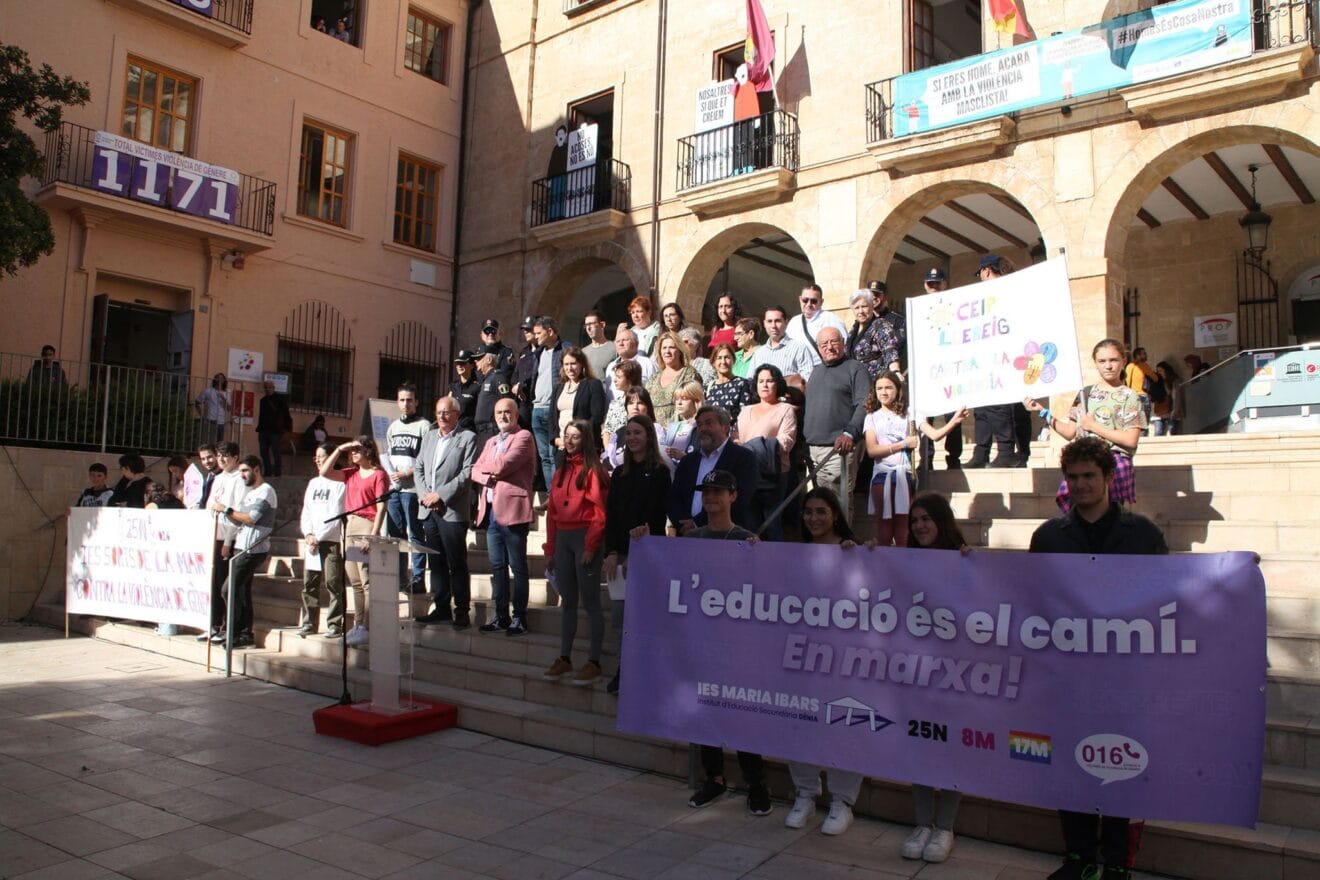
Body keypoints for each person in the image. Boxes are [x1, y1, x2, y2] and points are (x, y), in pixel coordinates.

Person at [1031, 437, 1167, 880]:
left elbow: (1169, 596)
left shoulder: (1143, 535)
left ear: (1109, 477)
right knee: (1070, 764)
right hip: (1066, 676)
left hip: (1126, 676)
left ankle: (1118, 861)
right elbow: (1030, 600)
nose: (1081, 484)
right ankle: (1080, 856)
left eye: (1089, 475)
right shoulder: (1048, 537)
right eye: (1073, 477)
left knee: (1124, 764)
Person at [680, 469, 771, 816]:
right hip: (701, 642)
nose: (711, 497)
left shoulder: (747, 540)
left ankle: (756, 783)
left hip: (737, 646)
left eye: (719, 491)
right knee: (706, 712)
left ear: (733, 496)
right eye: (707, 492)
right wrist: (642, 538)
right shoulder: (692, 538)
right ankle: (714, 778)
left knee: (742, 715)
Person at [785, 487, 864, 835]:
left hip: (843, 658)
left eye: (821, 511)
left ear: (835, 514)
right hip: (800, 655)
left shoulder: (852, 551)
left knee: (843, 726)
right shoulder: (794, 554)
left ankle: (842, 801)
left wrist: (863, 554)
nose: (813, 518)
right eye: (808, 512)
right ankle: (805, 793)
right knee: (799, 723)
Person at [898, 491, 972, 863]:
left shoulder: (965, 561)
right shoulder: (905, 562)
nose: (919, 526)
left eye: (926, 519)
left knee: (952, 750)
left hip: (956, 674)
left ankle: (945, 826)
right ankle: (922, 823)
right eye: (914, 521)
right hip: (915, 671)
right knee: (920, 748)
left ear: (942, 521)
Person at [1024, 338, 1145, 513]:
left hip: (1113, 464)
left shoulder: (1130, 396)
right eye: (1102, 361)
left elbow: (1130, 440)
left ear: (1123, 361)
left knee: (1108, 516)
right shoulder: (1086, 393)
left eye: (1113, 360)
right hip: (1083, 462)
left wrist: (1093, 426)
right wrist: (1042, 411)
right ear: (1095, 363)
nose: (1108, 366)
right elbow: (1069, 432)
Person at [600, 414, 671, 694]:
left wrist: (637, 554)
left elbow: (655, 517)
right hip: (620, 558)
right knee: (620, 619)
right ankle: (624, 669)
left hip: (646, 556)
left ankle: (645, 671)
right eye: (628, 433)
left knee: (643, 618)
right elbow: (612, 517)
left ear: (649, 436)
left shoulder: (660, 472)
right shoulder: (619, 473)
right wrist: (611, 551)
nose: (632, 438)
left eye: (637, 432)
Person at [541, 420, 609, 685]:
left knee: (591, 601)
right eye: (566, 436)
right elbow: (552, 514)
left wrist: (591, 545)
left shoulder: (594, 471)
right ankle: (564, 657)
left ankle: (594, 661)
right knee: (568, 601)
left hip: (584, 537)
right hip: (563, 539)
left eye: (575, 437)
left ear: (585, 440)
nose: (569, 441)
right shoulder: (560, 471)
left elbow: (600, 512)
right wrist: (550, 549)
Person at [863, 371, 966, 546]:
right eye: (879, 388)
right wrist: (903, 444)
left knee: (904, 527)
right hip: (882, 475)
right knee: (884, 527)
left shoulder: (910, 414)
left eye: (888, 387)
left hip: (904, 475)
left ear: (897, 389)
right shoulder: (872, 417)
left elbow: (934, 435)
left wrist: (954, 421)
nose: (883, 392)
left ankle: (904, 559)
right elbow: (872, 450)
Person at [473, 397, 535, 636]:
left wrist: (488, 469)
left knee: (517, 567)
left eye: (507, 411)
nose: (502, 416)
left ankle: (520, 617)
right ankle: (501, 615)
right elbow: (474, 470)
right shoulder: (490, 441)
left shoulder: (524, 437)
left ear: (516, 414)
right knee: (497, 567)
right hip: (491, 513)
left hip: (513, 512)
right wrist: (488, 473)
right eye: (498, 412)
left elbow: (503, 466)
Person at [319, 436, 389, 646]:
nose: (354, 453)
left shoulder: (378, 474)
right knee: (355, 580)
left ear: (369, 451)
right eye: (352, 450)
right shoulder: (351, 473)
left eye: (357, 449)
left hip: (366, 525)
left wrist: (374, 534)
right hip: (350, 525)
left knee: (366, 579)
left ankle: (367, 625)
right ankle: (358, 624)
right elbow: (324, 472)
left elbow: (381, 507)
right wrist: (340, 449)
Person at [414, 397, 477, 629]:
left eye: (447, 412)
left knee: (456, 562)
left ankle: (461, 611)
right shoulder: (429, 436)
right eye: (438, 411)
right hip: (428, 510)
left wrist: (440, 495)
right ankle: (441, 607)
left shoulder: (467, 438)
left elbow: (467, 473)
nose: (441, 416)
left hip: (452, 511)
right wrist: (425, 495)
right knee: (436, 562)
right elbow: (419, 467)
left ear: (457, 414)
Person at [802, 327, 870, 521]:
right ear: (818, 347)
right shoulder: (815, 371)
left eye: (834, 341)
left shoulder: (856, 368)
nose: (829, 347)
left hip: (839, 448)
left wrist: (850, 433)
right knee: (820, 505)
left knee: (837, 504)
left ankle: (842, 539)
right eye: (824, 344)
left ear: (843, 343)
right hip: (813, 449)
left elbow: (865, 403)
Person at [966, 256, 1028, 467]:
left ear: (986, 271)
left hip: (1003, 357)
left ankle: (1006, 451)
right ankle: (981, 453)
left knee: (999, 406)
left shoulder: (1005, 292)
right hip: (987, 357)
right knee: (982, 407)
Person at [215, 456, 277, 649]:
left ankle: (233, 632)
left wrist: (226, 509)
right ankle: (244, 633)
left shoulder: (266, 491)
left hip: (253, 549)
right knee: (241, 591)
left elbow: (251, 518)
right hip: (241, 546)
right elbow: (239, 519)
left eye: (245, 471)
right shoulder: (250, 492)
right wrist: (226, 514)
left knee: (228, 589)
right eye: (240, 471)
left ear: (256, 469)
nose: (242, 475)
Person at [667, 405, 759, 534]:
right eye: (699, 425)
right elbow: (674, 497)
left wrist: (697, 523)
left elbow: (741, 499)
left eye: (709, 423)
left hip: (728, 536)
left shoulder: (744, 458)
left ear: (725, 428)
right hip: (687, 535)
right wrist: (682, 524)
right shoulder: (688, 461)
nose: (703, 429)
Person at [383, 382, 432, 594]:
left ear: (416, 402)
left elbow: (426, 458)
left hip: (413, 490)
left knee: (416, 534)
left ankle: (418, 578)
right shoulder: (393, 427)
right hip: (395, 490)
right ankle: (400, 578)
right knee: (396, 536)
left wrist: (407, 473)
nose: (405, 404)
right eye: (402, 400)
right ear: (397, 402)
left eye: (409, 400)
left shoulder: (424, 426)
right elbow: (388, 455)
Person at [738, 365, 797, 538]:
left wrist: (756, 447)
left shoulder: (785, 409)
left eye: (770, 381)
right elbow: (735, 438)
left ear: (777, 384)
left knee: (772, 524)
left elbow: (786, 440)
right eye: (761, 381)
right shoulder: (745, 411)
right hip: (747, 473)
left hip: (774, 474)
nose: (764, 385)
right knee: (749, 523)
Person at [914, 268, 964, 471]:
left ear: (945, 284)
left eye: (937, 282)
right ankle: (926, 460)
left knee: (954, 415)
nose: (933, 286)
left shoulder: (955, 305)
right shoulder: (918, 309)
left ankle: (954, 459)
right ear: (925, 285)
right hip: (927, 372)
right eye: (930, 283)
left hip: (950, 370)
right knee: (926, 417)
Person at [299, 442, 347, 638]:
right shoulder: (313, 483)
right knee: (309, 583)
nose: (318, 460)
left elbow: (336, 514)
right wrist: (308, 534)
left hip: (330, 540)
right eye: (316, 457)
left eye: (322, 456)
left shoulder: (340, 483)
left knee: (333, 583)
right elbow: (306, 511)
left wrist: (318, 537)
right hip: (312, 541)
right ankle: (309, 622)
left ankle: (335, 624)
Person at [202, 443, 245, 642]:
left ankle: (226, 626)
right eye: (219, 455)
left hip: (228, 536)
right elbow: (210, 504)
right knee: (212, 582)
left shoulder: (239, 479)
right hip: (212, 533)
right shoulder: (218, 478)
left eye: (225, 455)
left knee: (223, 583)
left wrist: (228, 541)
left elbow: (237, 511)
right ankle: (212, 623)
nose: (221, 459)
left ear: (235, 457)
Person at [531, 316, 567, 485]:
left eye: (539, 333)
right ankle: (550, 493)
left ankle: (556, 493)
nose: (535, 336)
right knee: (544, 457)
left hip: (554, 410)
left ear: (550, 331)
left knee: (555, 455)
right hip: (537, 409)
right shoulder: (538, 353)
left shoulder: (565, 349)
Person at [603, 387, 673, 472]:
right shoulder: (619, 431)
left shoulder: (655, 428)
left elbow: (658, 454)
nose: (635, 407)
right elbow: (607, 458)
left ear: (648, 407)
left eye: (640, 403)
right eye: (631, 403)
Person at [551, 347, 607, 450]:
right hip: (561, 446)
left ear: (582, 364)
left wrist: (578, 437)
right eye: (566, 364)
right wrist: (556, 439)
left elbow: (597, 417)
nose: (570, 368)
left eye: (573, 363)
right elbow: (552, 417)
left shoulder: (593, 385)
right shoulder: (558, 387)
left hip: (584, 445)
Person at [750, 305, 815, 386]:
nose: (773, 326)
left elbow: (807, 380)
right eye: (769, 321)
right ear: (764, 324)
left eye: (777, 321)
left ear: (786, 322)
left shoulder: (799, 349)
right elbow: (751, 381)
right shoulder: (758, 353)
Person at [786, 283, 848, 366]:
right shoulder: (794, 322)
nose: (809, 304)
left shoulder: (831, 319)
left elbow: (844, 347)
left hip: (824, 368)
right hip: (799, 369)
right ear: (800, 299)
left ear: (821, 302)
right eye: (805, 300)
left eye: (814, 301)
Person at [846, 288, 901, 379]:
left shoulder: (880, 325)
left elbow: (889, 349)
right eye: (857, 308)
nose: (860, 311)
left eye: (864, 306)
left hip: (875, 381)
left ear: (872, 306)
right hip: (856, 381)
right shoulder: (853, 330)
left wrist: (895, 371)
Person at [646, 331, 699, 423]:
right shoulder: (654, 378)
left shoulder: (689, 373)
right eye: (664, 348)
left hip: (680, 427)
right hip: (655, 429)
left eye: (672, 347)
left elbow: (694, 405)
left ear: (679, 351)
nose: (667, 351)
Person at [604, 326, 657, 402]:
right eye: (618, 341)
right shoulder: (611, 367)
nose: (621, 344)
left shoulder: (647, 364)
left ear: (636, 343)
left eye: (624, 340)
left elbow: (654, 392)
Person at [706, 343, 754, 423]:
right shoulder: (709, 388)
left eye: (727, 357)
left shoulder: (742, 384)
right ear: (713, 362)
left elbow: (745, 415)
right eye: (719, 358)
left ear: (733, 360)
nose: (723, 361)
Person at [601, 360, 643, 451]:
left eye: (619, 377)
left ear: (630, 379)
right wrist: (609, 451)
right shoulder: (615, 403)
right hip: (614, 451)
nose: (615, 380)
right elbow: (607, 430)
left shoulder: (642, 402)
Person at [659, 382, 704, 462]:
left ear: (696, 401)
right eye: (676, 399)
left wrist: (684, 457)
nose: (679, 403)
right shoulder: (672, 427)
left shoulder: (702, 428)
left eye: (684, 398)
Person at [256, 379, 292, 477]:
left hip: (275, 431)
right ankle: (267, 471)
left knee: (276, 452)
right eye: (266, 388)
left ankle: (277, 472)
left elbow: (286, 415)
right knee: (263, 452)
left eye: (269, 387)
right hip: (263, 430)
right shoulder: (263, 401)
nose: (267, 389)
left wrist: (287, 429)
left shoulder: (280, 399)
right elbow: (261, 416)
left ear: (273, 388)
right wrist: (259, 428)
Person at [1123, 346, 1158, 432]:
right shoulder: (1143, 366)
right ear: (1138, 355)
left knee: (1134, 419)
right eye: (1144, 354)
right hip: (1143, 395)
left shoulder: (1130, 366)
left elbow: (1126, 381)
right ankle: (1143, 435)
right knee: (1144, 421)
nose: (1146, 355)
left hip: (1132, 395)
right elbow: (1155, 378)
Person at [195, 373, 231, 443]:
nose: (220, 380)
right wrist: (201, 415)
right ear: (215, 379)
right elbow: (197, 402)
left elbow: (229, 408)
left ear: (224, 380)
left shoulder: (227, 393)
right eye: (218, 378)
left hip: (221, 422)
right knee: (208, 442)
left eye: (222, 378)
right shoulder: (208, 391)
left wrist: (223, 398)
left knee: (219, 443)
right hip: (210, 420)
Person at [450, 350, 481, 431]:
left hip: (469, 431)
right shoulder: (453, 386)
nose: (459, 366)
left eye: (463, 363)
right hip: (453, 431)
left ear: (472, 366)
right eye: (458, 363)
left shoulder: (477, 387)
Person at [581, 310, 616, 379]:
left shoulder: (615, 349)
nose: (588, 328)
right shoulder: (583, 352)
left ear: (602, 325)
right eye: (586, 325)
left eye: (591, 324)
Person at [1151, 360, 1180, 436]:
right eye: (1158, 371)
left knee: (1171, 434)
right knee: (1157, 433)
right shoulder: (1157, 381)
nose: (1159, 373)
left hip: (1171, 411)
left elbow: (1176, 396)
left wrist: (1175, 411)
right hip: (1159, 412)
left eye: (1161, 371)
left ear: (1166, 371)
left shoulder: (1173, 380)